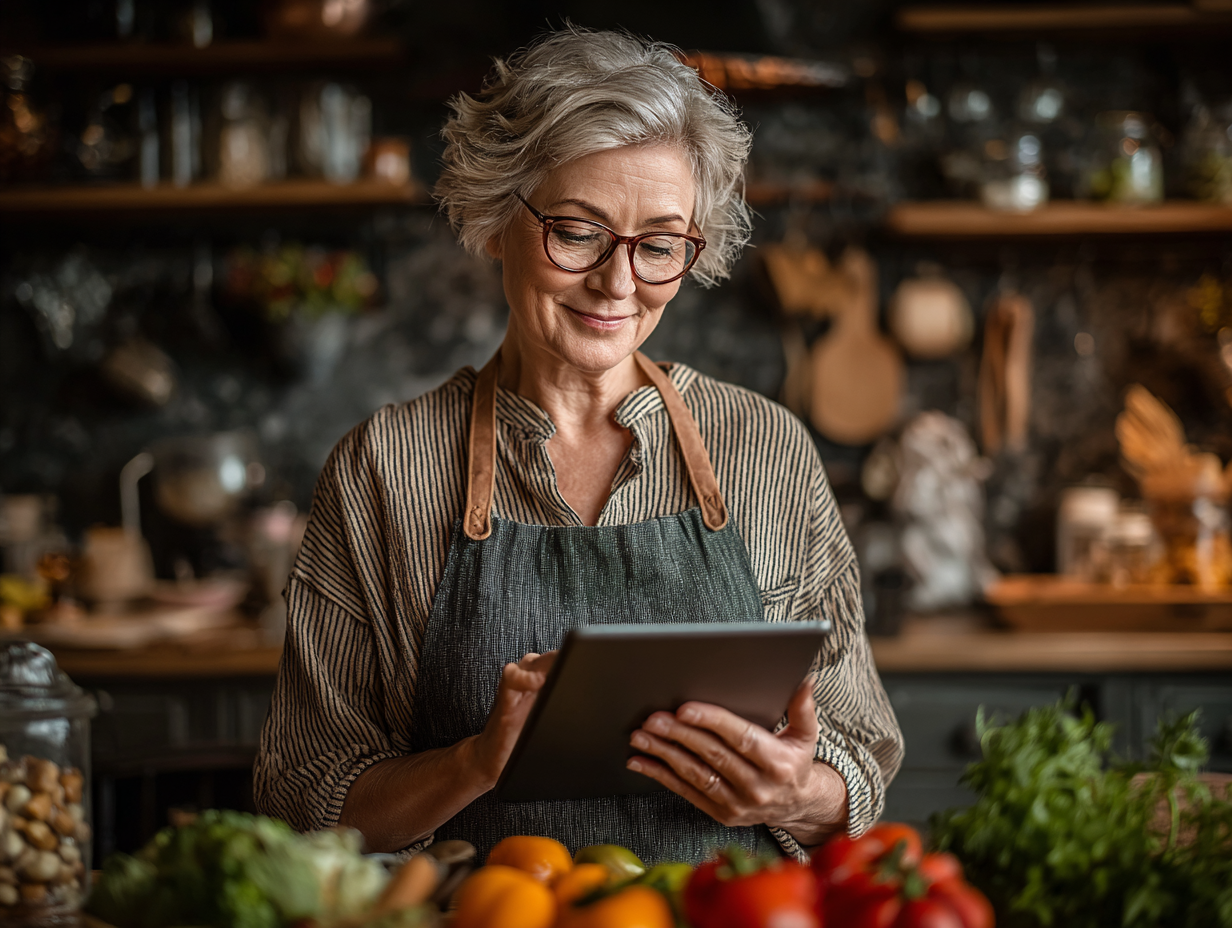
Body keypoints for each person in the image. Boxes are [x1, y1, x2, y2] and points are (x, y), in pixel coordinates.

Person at [254, 26, 903, 864]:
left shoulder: (764, 449)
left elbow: (861, 758)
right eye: (577, 230)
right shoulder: (385, 468)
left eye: (660, 245)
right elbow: (306, 802)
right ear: (495, 218)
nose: (618, 281)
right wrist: (470, 765)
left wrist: (798, 792)